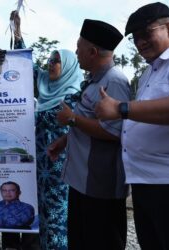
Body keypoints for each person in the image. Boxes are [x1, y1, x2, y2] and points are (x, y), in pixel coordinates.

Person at [95, 2, 169, 249]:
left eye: (146, 34)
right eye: (135, 38)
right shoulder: (149, 72)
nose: (140, 43)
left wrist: (121, 108)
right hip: (145, 181)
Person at [48, 19, 131, 250]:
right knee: (81, 241)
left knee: (101, 242)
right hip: (81, 180)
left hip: (100, 186)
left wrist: (72, 119)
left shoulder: (114, 81)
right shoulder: (94, 80)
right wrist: (64, 141)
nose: (76, 52)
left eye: (79, 47)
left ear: (93, 52)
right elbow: (91, 124)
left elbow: (115, 133)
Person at [11, 11, 83, 250]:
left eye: (56, 61)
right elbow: (25, 65)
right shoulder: (45, 89)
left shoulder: (74, 96)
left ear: (69, 66)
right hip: (41, 166)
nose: (51, 65)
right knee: (43, 216)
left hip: (61, 167)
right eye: (50, 60)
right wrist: (17, 32)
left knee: (58, 217)